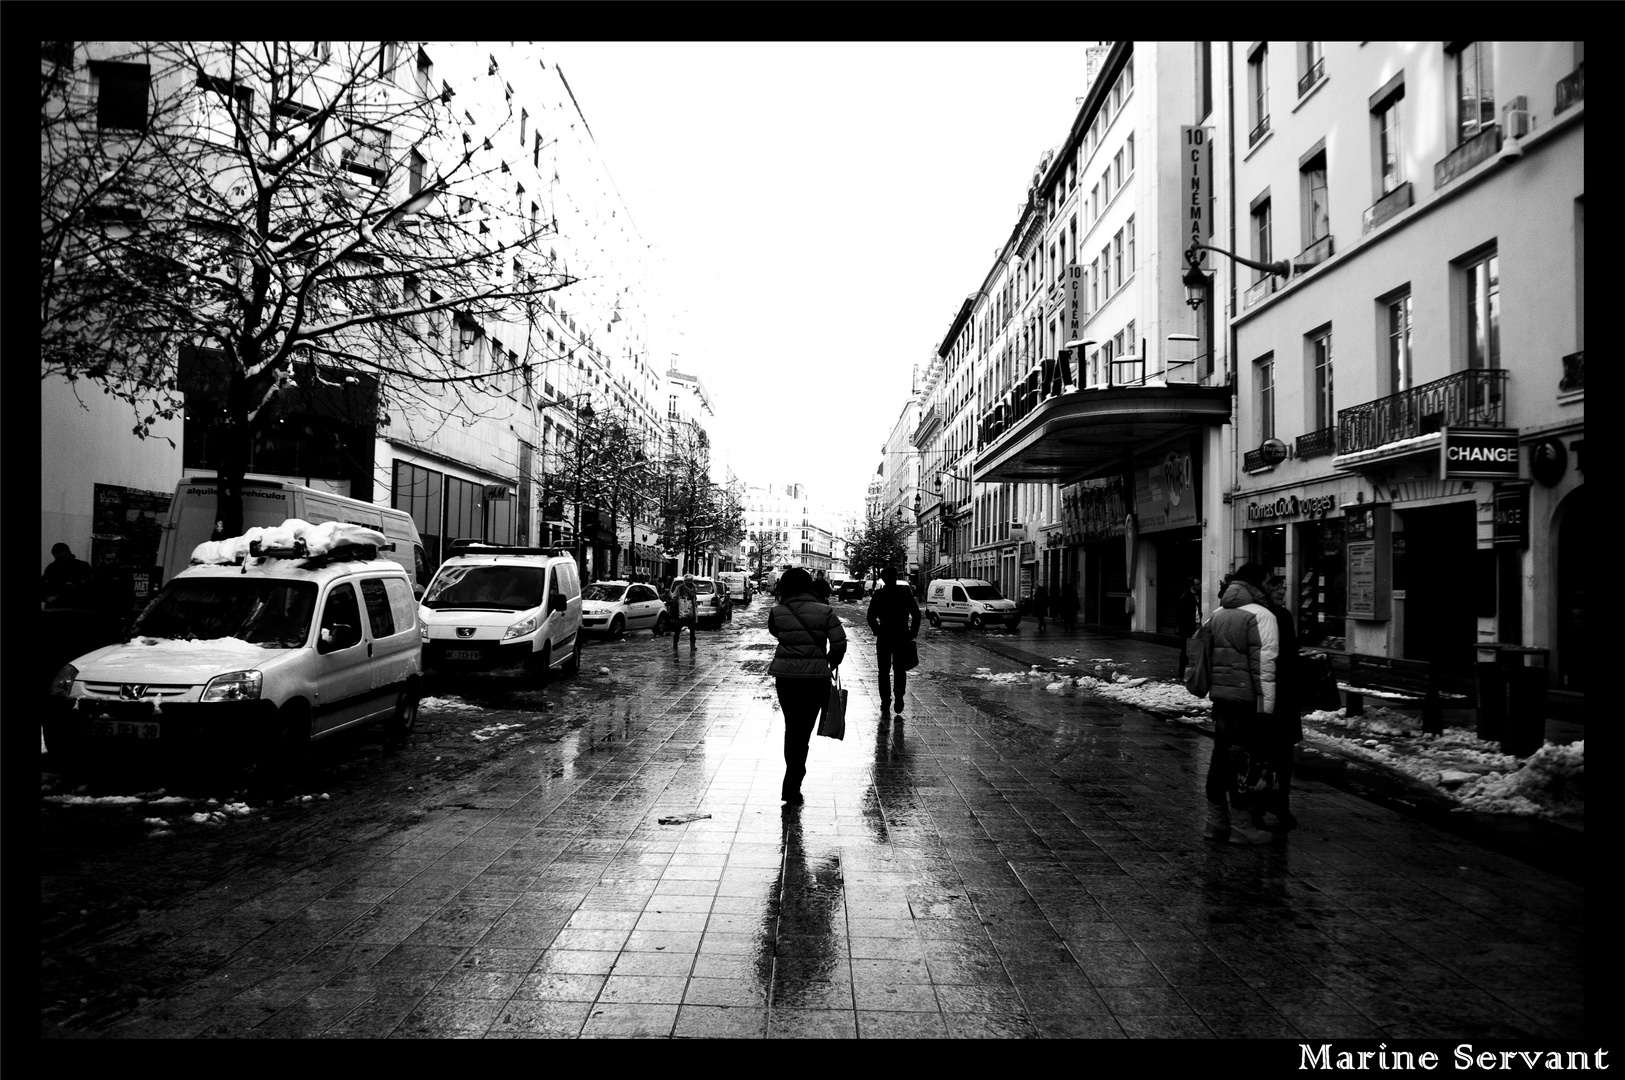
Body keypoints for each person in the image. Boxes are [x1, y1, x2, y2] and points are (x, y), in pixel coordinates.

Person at [1202, 561, 1279, 845]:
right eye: (1270, 581)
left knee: (1220, 757)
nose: (1273, 586)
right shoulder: (1261, 615)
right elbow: (1265, 666)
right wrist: (1266, 709)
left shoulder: (1219, 613)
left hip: (1221, 701)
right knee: (1244, 762)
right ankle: (1243, 826)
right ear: (1257, 584)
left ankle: (1216, 822)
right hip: (1247, 703)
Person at [767, 567, 847, 806]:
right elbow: (839, 643)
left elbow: (776, 632)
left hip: (786, 679)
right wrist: (828, 663)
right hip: (815, 679)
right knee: (804, 731)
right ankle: (794, 784)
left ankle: (791, 783)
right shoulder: (825, 611)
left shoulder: (777, 611)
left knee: (792, 728)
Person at [1252, 575, 1304, 831]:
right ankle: (1277, 803)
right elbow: (1284, 654)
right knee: (1280, 752)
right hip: (1279, 694)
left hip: (1270, 693)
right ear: (1265, 591)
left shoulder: (1267, 614)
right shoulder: (1278, 616)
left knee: (1265, 752)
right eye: (1276, 588)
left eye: (1283, 587)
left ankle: (1263, 803)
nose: (1282, 591)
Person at [866, 566, 920, 717]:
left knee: (883, 671)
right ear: (895, 577)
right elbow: (916, 614)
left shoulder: (879, 594)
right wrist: (912, 633)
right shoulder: (904, 593)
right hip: (901, 635)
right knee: (900, 668)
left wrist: (877, 630)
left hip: (884, 636)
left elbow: (870, 616)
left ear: (883, 578)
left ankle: (885, 700)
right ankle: (899, 694)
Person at [42, 542, 94, 610]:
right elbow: (42, 586)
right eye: (57, 558)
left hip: (77, 605)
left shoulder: (82, 566)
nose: (61, 560)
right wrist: (46, 598)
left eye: (63, 557)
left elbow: (91, 586)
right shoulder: (51, 568)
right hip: (57, 606)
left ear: (69, 553)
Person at [1176, 575, 1202, 677]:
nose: (1199, 586)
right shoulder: (1186, 597)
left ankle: (1189, 671)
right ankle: (1182, 672)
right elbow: (1183, 615)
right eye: (1197, 584)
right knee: (1185, 650)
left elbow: (1196, 611)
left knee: (1191, 650)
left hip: (1194, 626)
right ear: (1192, 586)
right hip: (1188, 628)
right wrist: (1194, 624)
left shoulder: (1196, 595)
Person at [671, 573, 699, 652]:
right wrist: (679, 600)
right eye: (687, 581)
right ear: (684, 581)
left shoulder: (694, 588)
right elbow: (674, 597)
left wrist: (695, 610)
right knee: (677, 629)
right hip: (681, 612)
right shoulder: (679, 588)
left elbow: (694, 599)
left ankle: (692, 644)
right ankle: (675, 643)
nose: (689, 582)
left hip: (690, 611)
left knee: (692, 629)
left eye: (690, 580)